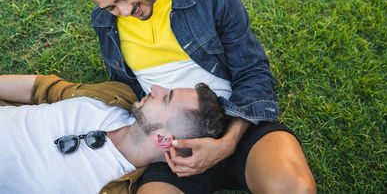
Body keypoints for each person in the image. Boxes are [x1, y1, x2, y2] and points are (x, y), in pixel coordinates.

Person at [74, 0, 316, 193]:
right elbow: (126, 90)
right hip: (169, 152)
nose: (124, 11)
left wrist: (227, 143)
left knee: (294, 189)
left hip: (240, 125)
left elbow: (253, 72)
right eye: (111, 6)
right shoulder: (104, 21)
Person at [0, 74, 228, 194]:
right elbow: (44, 88)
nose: (155, 89)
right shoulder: (115, 97)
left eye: (166, 98)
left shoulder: (114, 187)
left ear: (163, 139)